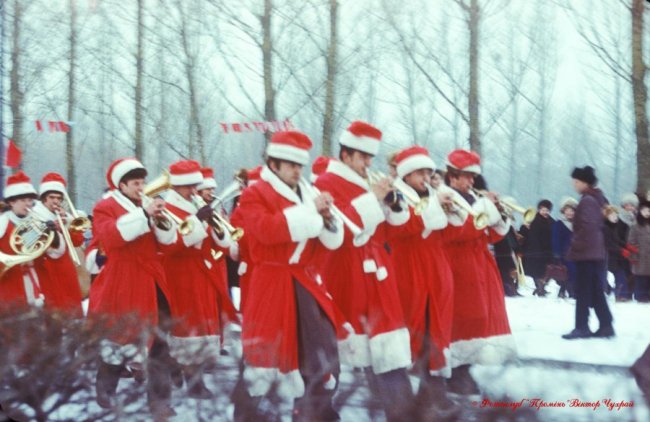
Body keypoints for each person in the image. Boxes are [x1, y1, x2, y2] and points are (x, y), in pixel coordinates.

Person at [233, 131, 345, 421]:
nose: (298, 171)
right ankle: (246, 415)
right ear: (274, 165)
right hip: (271, 283)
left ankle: (314, 412)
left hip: (305, 283)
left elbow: (326, 240)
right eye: (291, 165)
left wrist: (329, 220)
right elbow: (267, 231)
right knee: (264, 359)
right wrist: (313, 213)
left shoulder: (307, 192)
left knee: (320, 351)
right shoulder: (254, 193)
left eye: (300, 166)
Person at [314, 121, 414, 420]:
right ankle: (318, 409)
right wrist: (374, 199)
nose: (369, 163)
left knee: (386, 345)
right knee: (339, 347)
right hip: (343, 272)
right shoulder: (325, 183)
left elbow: (393, 226)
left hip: (376, 273)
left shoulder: (364, 181)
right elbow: (344, 230)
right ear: (346, 155)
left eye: (370, 157)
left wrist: (393, 203)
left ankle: (401, 410)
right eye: (363, 157)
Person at [89, 158, 177, 416]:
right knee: (119, 337)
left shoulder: (145, 205)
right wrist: (144, 215)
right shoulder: (105, 207)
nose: (142, 187)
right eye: (136, 183)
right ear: (122, 185)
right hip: (122, 279)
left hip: (151, 280)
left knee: (160, 341)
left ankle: (160, 401)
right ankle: (105, 387)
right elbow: (111, 237)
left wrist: (163, 223)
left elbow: (168, 243)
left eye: (143, 182)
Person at [384, 146, 460, 418]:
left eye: (428, 172)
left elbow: (449, 234)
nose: (426, 177)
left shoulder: (434, 195)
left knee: (436, 330)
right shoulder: (396, 196)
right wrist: (433, 214)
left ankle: (433, 393)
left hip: (436, 271)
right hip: (408, 270)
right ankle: (405, 397)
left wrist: (450, 211)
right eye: (420, 173)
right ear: (407, 174)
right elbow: (398, 228)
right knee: (411, 331)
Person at [159, 160, 237, 398]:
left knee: (203, 326)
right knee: (187, 328)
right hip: (180, 274)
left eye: (195, 186)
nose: (195, 191)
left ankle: (186, 372)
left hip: (202, 273)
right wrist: (198, 221)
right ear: (178, 187)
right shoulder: (166, 209)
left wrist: (217, 227)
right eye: (189, 186)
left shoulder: (195, 205)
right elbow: (171, 243)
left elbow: (218, 243)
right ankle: (192, 380)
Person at [441, 149, 516, 395]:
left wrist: (500, 216)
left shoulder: (472, 199)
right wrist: (486, 208)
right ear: (452, 177)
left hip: (479, 263)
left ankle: (466, 367)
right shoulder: (445, 197)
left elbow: (489, 235)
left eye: (473, 177)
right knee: (463, 317)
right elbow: (459, 232)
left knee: (480, 317)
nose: (472, 182)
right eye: (466, 177)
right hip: (458, 263)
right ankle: (455, 371)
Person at [562, 166, 614, 340]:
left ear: (584, 182)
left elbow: (587, 229)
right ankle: (606, 325)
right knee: (595, 290)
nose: (574, 185)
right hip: (593, 253)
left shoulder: (588, 201)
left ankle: (581, 326)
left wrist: (574, 246)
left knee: (583, 291)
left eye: (576, 182)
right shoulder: (596, 199)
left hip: (586, 253)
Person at [0, 171, 64, 308]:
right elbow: (19, 246)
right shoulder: (2, 223)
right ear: (11, 202)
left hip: (36, 281)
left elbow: (56, 253)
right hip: (9, 282)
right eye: (23, 200)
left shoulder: (37, 221)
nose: (28, 204)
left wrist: (53, 236)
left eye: (30, 200)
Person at [32, 173, 84, 316]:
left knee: (72, 309)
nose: (56, 201)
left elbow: (78, 241)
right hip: (46, 269)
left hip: (66, 269)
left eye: (59, 198)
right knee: (53, 310)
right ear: (43, 198)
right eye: (52, 198)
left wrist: (67, 223)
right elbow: (31, 243)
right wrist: (48, 229)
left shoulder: (63, 215)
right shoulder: (34, 214)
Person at [520, 200, 554, 296]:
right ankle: (539, 288)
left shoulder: (551, 221)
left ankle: (541, 287)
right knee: (536, 271)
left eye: (547, 210)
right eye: (542, 210)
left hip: (547, 250)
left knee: (545, 271)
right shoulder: (534, 220)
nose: (545, 212)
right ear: (539, 210)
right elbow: (530, 234)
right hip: (535, 249)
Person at [552, 197, 578, 298]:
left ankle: (563, 290)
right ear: (563, 211)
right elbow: (555, 240)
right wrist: (557, 254)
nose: (570, 213)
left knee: (573, 272)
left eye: (572, 211)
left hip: (577, 253)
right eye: (568, 210)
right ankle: (572, 291)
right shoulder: (558, 224)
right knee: (570, 271)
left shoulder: (577, 224)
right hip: (564, 253)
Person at [603, 206, 630, 298]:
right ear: (607, 216)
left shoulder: (613, 227)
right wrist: (621, 250)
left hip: (615, 257)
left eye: (616, 215)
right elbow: (609, 243)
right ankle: (620, 295)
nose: (615, 217)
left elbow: (616, 240)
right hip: (608, 258)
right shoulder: (605, 227)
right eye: (612, 215)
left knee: (620, 275)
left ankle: (620, 294)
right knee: (620, 275)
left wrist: (626, 245)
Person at [626, 201, 650, 303]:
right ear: (640, 211)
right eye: (644, 210)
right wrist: (634, 255)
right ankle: (640, 296)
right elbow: (630, 242)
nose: (647, 213)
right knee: (641, 278)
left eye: (648, 210)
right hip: (640, 256)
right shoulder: (635, 226)